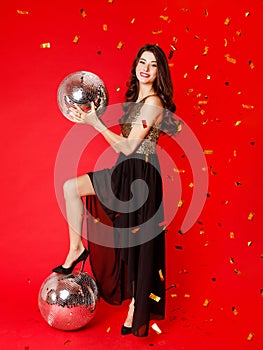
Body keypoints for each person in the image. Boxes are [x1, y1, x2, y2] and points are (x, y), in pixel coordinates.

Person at [52, 44, 181, 337]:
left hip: (143, 178)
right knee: (71, 188)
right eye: (142, 62)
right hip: (124, 171)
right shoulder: (137, 98)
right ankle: (76, 248)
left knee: (138, 247)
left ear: (160, 72)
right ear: (136, 66)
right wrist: (92, 114)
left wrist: (94, 123)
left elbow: (128, 146)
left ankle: (137, 305)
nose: (145, 68)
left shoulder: (154, 103)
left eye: (153, 65)